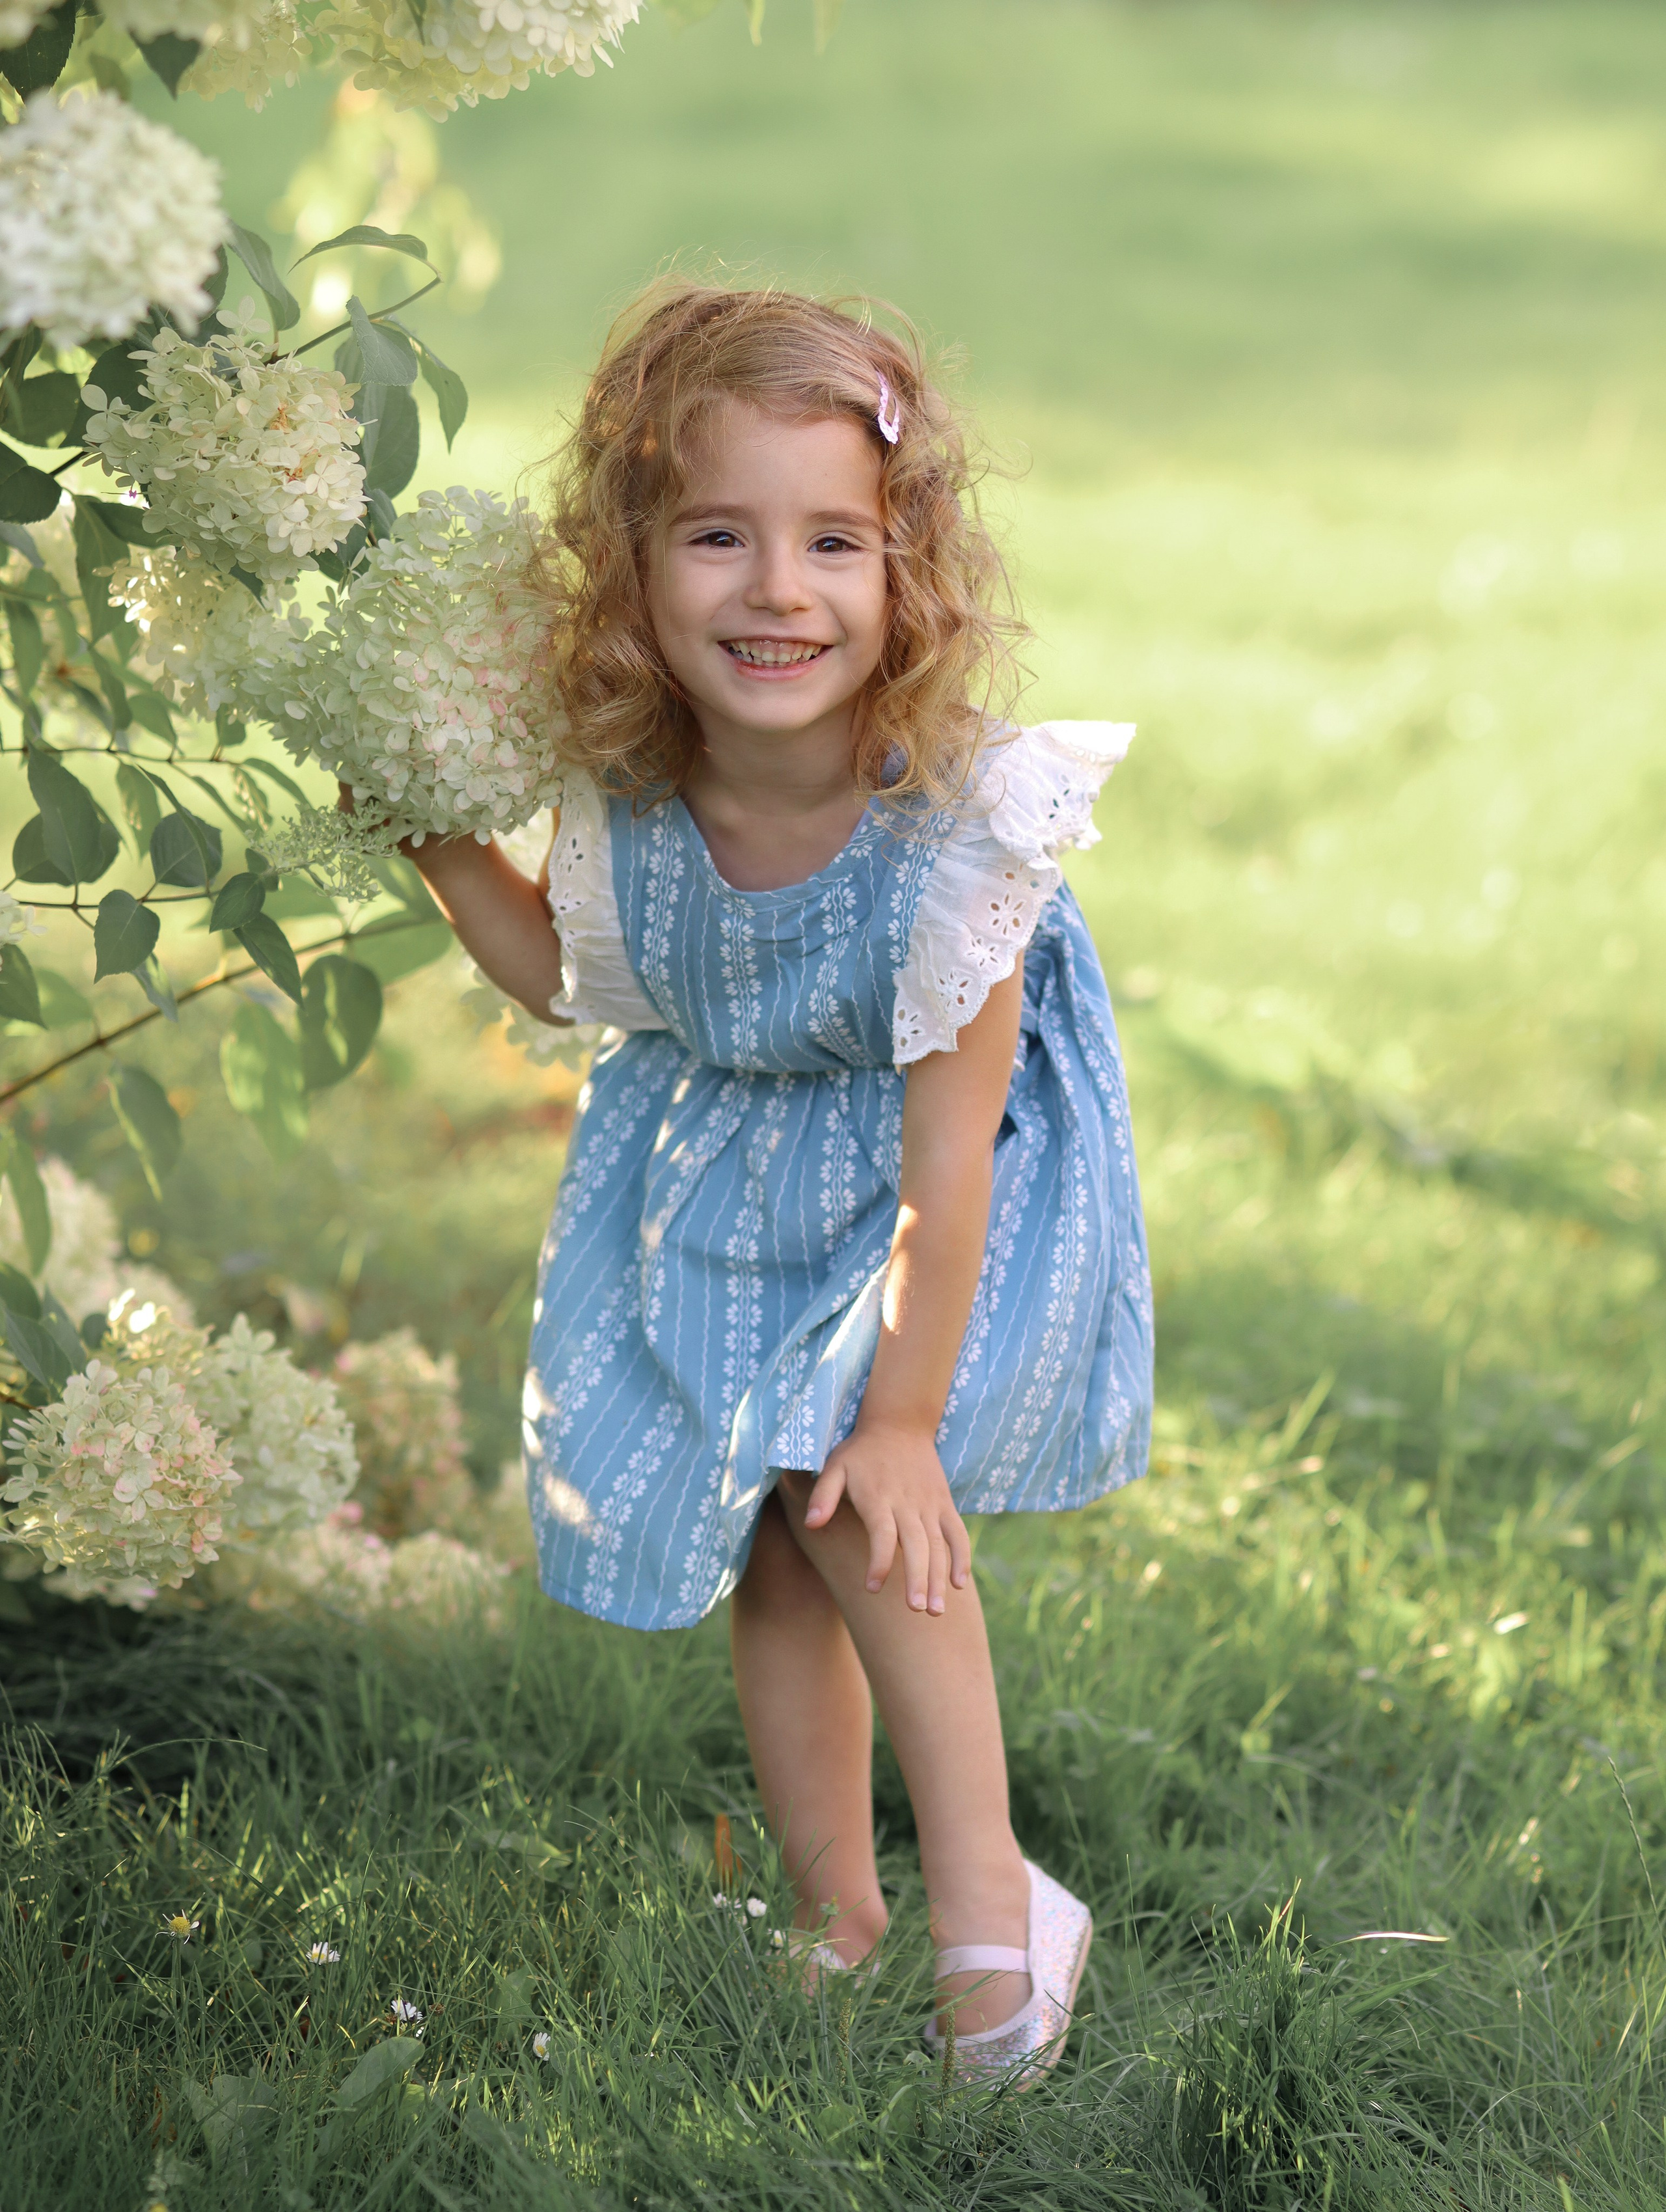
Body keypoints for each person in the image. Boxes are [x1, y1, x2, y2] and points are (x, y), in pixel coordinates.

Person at [405, 281, 1153, 2086]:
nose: (777, 590)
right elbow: (580, 978)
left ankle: (995, 1903)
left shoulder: (961, 833)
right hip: (720, 1181)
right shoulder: (636, 791)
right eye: (718, 537)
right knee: (771, 1543)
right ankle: (840, 1905)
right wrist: (433, 835)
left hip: (936, 1198)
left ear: (909, 572)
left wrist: (903, 1423)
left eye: (835, 540)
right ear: (633, 565)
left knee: (853, 1502)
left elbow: (949, 1167)